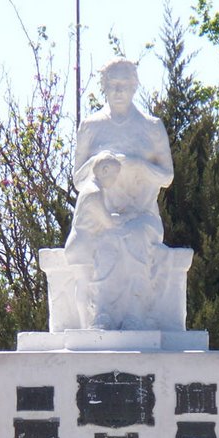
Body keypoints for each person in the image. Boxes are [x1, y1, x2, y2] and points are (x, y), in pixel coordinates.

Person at [64, 58, 174, 328]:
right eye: (112, 85)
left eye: (124, 85)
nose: (118, 91)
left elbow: (167, 177)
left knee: (134, 236)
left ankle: (135, 312)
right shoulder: (91, 126)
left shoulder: (151, 126)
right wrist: (100, 161)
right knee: (108, 240)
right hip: (104, 217)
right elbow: (78, 179)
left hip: (142, 216)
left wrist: (139, 165)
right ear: (104, 87)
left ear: (135, 86)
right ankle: (102, 313)